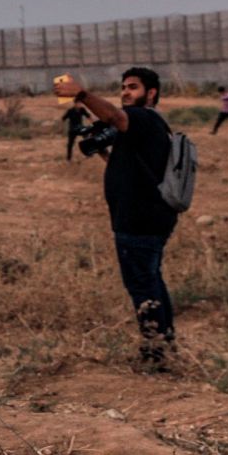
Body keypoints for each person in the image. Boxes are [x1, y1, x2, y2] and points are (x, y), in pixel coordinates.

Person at [54, 67, 179, 368]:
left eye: (133, 87)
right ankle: (165, 343)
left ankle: (156, 355)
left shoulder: (143, 117)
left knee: (142, 285)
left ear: (151, 93)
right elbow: (126, 164)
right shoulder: (144, 126)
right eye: (123, 87)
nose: (125, 92)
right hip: (146, 217)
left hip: (139, 220)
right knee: (151, 279)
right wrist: (99, 148)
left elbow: (115, 116)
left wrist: (81, 94)